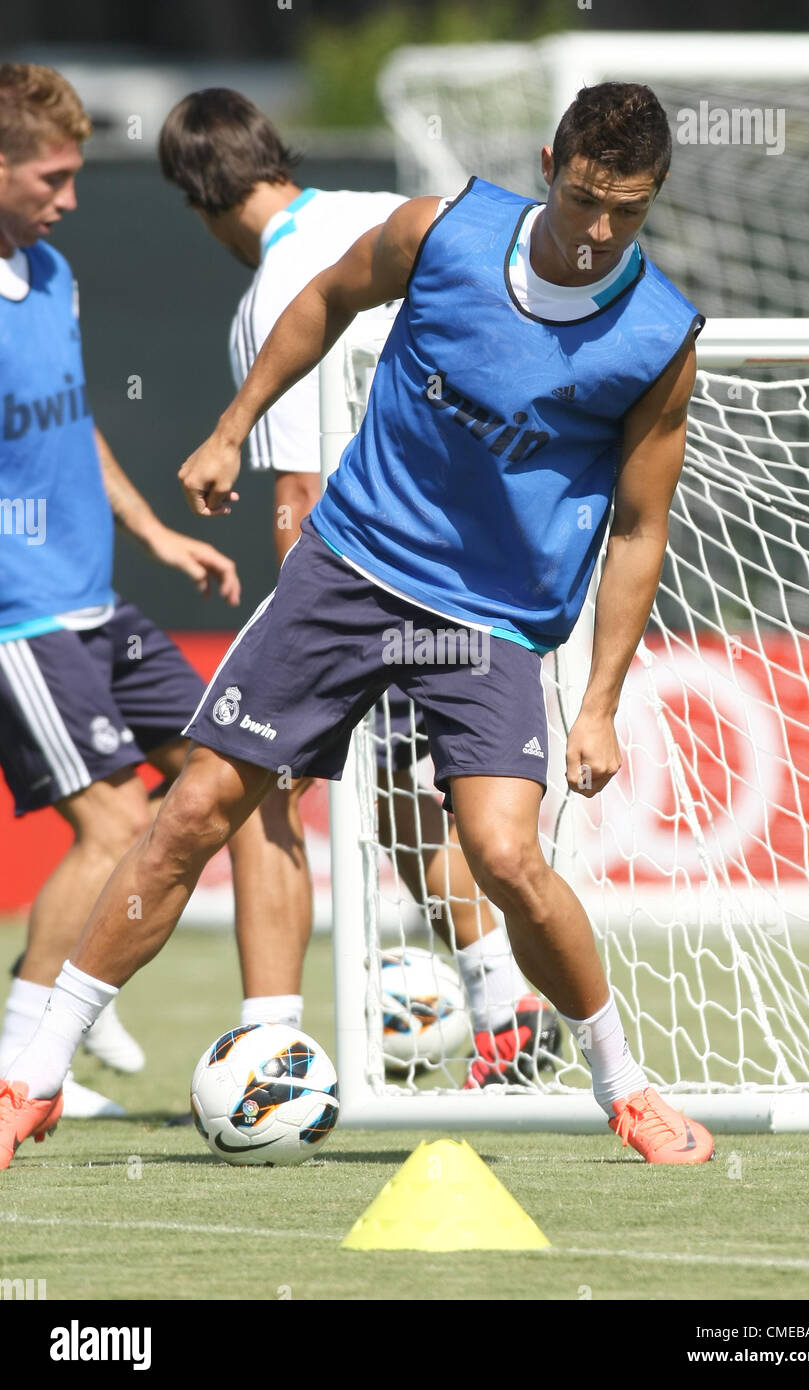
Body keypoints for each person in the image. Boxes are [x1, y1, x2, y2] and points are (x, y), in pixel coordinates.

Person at [1, 80, 715, 1166]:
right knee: (195, 806)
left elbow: (638, 525)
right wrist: (232, 427)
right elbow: (323, 300)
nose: (599, 231)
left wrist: (601, 704)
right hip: (351, 565)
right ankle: (33, 1078)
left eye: (628, 208)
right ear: (545, 166)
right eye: (582, 200)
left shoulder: (657, 334)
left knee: (504, 856)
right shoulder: (442, 230)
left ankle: (622, 1088)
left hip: (492, 618)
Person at [158, 88, 560, 1085]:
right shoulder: (364, 212)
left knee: (254, 782)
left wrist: (303, 651)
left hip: (374, 570)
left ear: (199, 198)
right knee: (398, 797)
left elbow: (300, 488)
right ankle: (502, 1003)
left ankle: (271, 1051)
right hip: (482, 564)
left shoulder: (276, 290)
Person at [0, 63, 284, 1118]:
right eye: (53, 177)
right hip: (18, 619)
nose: (69, 199)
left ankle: (263, 1030)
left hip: (96, 601)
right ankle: (27, 1065)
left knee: (233, 771)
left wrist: (154, 532)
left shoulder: (55, 273)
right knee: (114, 822)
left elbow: (73, 421)